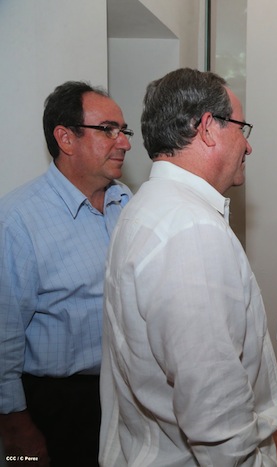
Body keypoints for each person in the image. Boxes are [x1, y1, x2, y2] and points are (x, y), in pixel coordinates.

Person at [99, 68, 277, 467]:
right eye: (241, 128)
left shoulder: (145, 207)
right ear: (207, 128)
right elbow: (217, 418)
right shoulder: (190, 231)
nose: (248, 146)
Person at [0, 81, 133, 466]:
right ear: (66, 138)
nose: (124, 142)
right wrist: (16, 428)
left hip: (126, 394)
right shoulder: (18, 221)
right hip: (58, 407)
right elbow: (4, 336)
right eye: (108, 129)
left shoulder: (127, 202)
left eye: (123, 130)